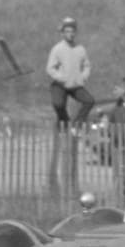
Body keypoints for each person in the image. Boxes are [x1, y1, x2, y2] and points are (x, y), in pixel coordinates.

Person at [45, 17, 94, 192]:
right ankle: (64, 121)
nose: (70, 34)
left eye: (72, 31)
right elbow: (50, 68)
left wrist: (83, 77)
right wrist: (61, 77)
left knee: (89, 101)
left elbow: (87, 65)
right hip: (60, 84)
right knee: (58, 103)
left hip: (75, 84)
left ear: (75, 33)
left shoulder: (80, 49)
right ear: (63, 33)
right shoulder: (57, 49)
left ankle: (76, 125)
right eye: (67, 31)